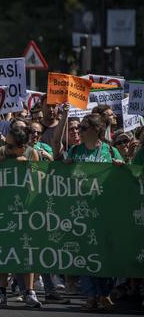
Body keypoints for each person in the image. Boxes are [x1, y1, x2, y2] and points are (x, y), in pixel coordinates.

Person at [64, 114, 122, 311]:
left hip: (105, 212)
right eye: (79, 127)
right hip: (80, 212)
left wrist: (120, 168)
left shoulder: (111, 151)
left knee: (105, 253)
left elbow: (125, 176)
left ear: (96, 130)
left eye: (83, 127)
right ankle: (91, 296)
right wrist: (65, 167)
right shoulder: (74, 150)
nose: (79, 131)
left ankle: (105, 294)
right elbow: (62, 178)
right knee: (84, 253)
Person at [0, 127, 42, 308]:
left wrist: (24, 164)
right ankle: (1, 292)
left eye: (10, 146)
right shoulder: (1, 152)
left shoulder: (32, 153)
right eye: (6, 144)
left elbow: (38, 179)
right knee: (3, 250)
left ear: (22, 147)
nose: (6, 148)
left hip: (25, 209)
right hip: (3, 209)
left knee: (26, 250)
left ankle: (29, 291)